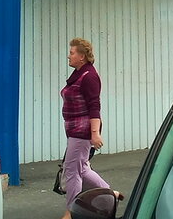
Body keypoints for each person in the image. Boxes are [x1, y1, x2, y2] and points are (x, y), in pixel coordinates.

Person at [60, 37, 123, 219]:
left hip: (82, 131)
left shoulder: (89, 76)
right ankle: (110, 194)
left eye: (72, 53)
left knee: (72, 171)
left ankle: (71, 212)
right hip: (74, 130)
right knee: (82, 169)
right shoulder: (79, 74)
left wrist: (95, 134)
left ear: (82, 56)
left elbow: (94, 106)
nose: (68, 56)